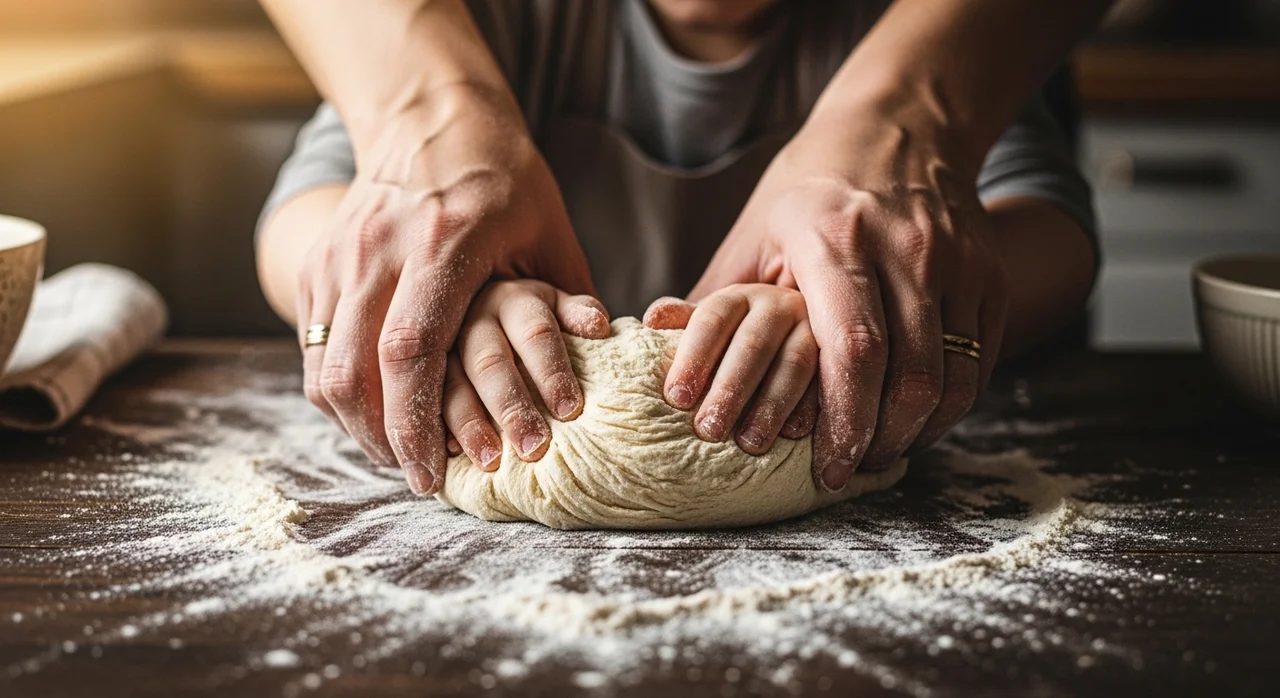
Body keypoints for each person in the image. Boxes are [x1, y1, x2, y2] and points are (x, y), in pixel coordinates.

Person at [255, 0, 1108, 498]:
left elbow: (1052, 232)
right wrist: (441, 301)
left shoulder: (888, 18)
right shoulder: (493, 18)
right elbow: (311, 220)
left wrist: (862, 311)